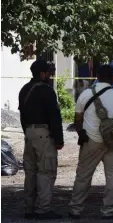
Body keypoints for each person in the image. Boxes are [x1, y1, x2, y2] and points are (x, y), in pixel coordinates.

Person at [68, 65, 113, 219]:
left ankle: (76, 209)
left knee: (83, 175)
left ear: (96, 77)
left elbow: (77, 119)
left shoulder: (85, 94)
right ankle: (108, 210)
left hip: (91, 141)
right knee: (112, 175)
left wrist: (81, 134)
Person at [18, 59, 64, 220]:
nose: (50, 75)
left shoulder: (24, 90)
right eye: (48, 72)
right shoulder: (47, 91)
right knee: (46, 171)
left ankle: (28, 208)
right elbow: (55, 117)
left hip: (29, 134)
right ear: (42, 74)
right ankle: (43, 209)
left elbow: (22, 116)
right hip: (44, 134)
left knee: (30, 172)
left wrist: (27, 132)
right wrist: (59, 139)